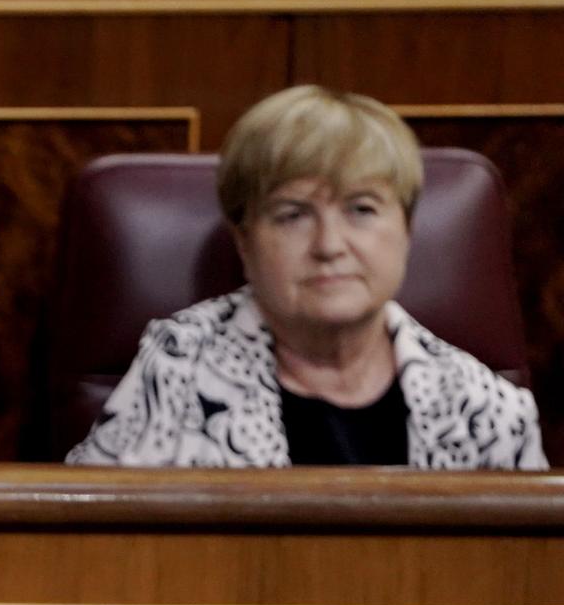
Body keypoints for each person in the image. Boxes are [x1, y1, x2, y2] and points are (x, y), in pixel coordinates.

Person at [68, 84, 544, 468]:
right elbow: (100, 552)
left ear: (407, 231)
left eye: (361, 209)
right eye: (292, 214)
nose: (329, 245)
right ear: (244, 240)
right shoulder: (178, 367)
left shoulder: (488, 411)